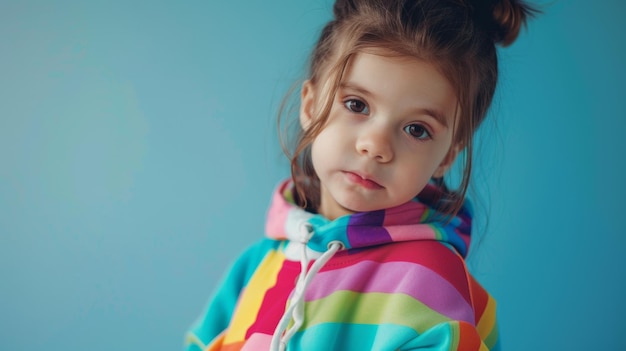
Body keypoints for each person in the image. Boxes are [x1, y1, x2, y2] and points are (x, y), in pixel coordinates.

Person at [185, 0, 536, 350]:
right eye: (357, 104)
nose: (376, 145)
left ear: (446, 156)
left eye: (416, 129)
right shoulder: (256, 266)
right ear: (310, 105)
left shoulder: (431, 281)